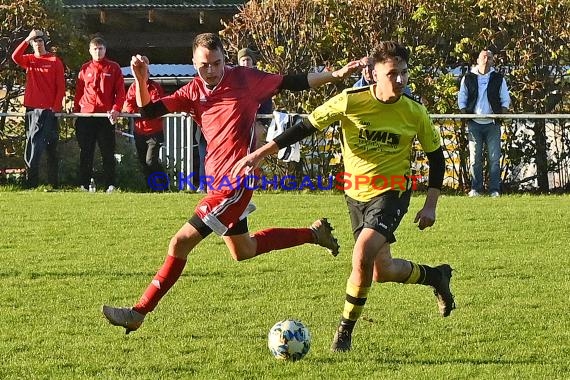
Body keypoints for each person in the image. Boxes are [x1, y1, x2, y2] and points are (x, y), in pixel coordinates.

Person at [101, 32, 363, 334]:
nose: (210, 71)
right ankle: (313, 234)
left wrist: (336, 75)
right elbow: (148, 111)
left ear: (226, 59)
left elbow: (295, 81)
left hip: (235, 182)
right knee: (244, 250)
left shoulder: (245, 79)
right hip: (216, 183)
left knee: (179, 242)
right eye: (204, 66)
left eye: (216, 63)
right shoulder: (193, 90)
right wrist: (140, 78)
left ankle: (138, 311)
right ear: (193, 63)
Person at [233, 41, 455, 352]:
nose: (401, 80)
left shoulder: (414, 111)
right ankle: (436, 276)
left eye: (404, 73)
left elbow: (437, 159)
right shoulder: (351, 101)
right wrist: (261, 152)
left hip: (393, 191)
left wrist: (430, 205)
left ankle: (344, 333)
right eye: (393, 74)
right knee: (381, 270)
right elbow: (305, 126)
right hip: (355, 194)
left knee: (361, 254)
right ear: (373, 74)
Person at [11, 29, 65, 189]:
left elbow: (60, 87)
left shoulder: (55, 60)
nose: (38, 43)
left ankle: (52, 183)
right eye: (35, 41)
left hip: (48, 110)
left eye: (40, 41)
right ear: (32, 44)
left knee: (50, 145)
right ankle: (31, 182)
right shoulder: (29, 60)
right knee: (32, 143)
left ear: (44, 43)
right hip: (31, 109)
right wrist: (27, 38)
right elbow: (15, 57)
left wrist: (55, 107)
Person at [73, 36, 125, 193]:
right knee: (86, 152)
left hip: (105, 117)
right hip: (86, 117)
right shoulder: (84, 69)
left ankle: (110, 184)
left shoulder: (114, 68)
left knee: (107, 152)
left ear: (105, 50)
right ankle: (84, 184)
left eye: (100, 48)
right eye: (95, 49)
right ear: (90, 50)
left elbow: (120, 92)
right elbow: (79, 92)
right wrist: (76, 110)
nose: (98, 52)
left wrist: (116, 108)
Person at [458, 49, 511, 197]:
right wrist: (465, 114)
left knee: (494, 158)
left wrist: (502, 113)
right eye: (484, 57)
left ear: (493, 61)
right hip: (474, 123)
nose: (486, 60)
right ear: (478, 60)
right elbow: (462, 97)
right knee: (475, 158)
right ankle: (476, 189)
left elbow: (505, 98)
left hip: (492, 124)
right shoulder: (468, 78)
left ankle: (494, 190)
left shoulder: (498, 78)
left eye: (489, 57)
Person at [123, 72, 166, 190]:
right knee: (143, 162)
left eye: (144, 72)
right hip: (139, 131)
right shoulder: (133, 86)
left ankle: (164, 185)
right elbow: (128, 104)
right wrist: (133, 110)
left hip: (155, 131)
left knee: (151, 161)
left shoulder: (155, 86)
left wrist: (144, 111)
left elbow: (156, 105)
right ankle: (150, 188)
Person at [237, 47, 273, 146]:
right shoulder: (234, 80)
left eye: (248, 60)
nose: (245, 63)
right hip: (238, 123)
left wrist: (262, 121)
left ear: (252, 62)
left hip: (257, 122)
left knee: (254, 153)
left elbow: (266, 100)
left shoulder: (260, 78)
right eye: (243, 60)